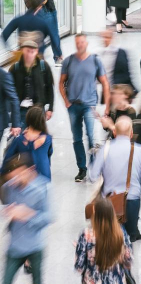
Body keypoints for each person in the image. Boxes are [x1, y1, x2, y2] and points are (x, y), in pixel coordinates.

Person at [87, 117, 141, 241]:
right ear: (132, 133)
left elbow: (92, 176)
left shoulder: (105, 149)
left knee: (110, 238)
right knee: (130, 238)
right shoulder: (139, 150)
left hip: (109, 203)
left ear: (114, 132)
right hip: (132, 201)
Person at [60, 34, 111, 182]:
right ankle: (82, 169)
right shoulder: (68, 61)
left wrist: (107, 106)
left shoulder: (95, 60)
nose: (80, 45)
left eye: (82, 42)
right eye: (77, 43)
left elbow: (105, 83)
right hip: (73, 106)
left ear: (86, 43)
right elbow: (61, 82)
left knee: (90, 135)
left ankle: (94, 166)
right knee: (76, 138)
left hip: (89, 105)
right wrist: (66, 100)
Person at [0, 153, 49, 284]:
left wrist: (28, 215)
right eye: (13, 176)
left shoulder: (43, 187)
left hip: (35, 247)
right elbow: (6, 205)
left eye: (19, 175)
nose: (16, 180)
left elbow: (49, 216)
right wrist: (9, 210)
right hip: (15, 246)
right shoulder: (10, 186)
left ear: (30, 170)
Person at [73, 197, 132, 284]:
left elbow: (79, 267)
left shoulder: (86, 236)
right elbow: (128, 262)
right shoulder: (120, 232)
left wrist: (82, 250)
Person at [11, 41, 53, 127]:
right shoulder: (15, 68)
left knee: (37, 137)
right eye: (27, 51)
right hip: (20, 110)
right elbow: (9, 90)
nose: (30, 54)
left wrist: (50, 108)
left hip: (38, 109)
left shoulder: (43, 66)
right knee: (21, 137)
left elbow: (49, 87)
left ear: (36, 51)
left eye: (32, 51)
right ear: (22, 50)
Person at [4, 107, 51, 181]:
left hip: (26, 177)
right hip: (44, 176)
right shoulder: (47, 138)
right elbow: (49, 154)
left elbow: (8, 158)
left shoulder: (20, 140)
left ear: (28, 120)